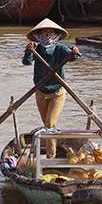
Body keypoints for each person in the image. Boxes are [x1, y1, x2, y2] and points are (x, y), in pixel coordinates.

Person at [22, 18, 80, 158]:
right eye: (44, 33)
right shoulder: (36, 48)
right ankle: (51, 151)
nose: (47, 36)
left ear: (55, 35)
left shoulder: (60, 48)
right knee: (48, 125)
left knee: (49, 123)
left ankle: (51, 156)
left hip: (57, 92)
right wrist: (28, 51)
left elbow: (72, 57)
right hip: (40, 91)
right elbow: (26, 62)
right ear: (39, 35)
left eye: (50, 33)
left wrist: (74, 53)